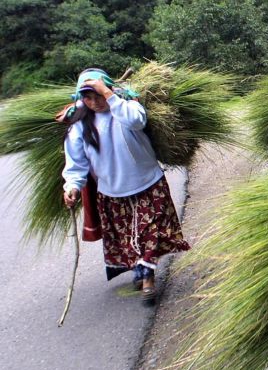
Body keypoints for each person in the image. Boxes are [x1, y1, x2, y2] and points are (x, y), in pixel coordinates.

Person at [62, 68, 190, 305]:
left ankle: (148, 278)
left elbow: (136, 121)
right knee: (129, 239)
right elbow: (76, 164)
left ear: (109, 90)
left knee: (150, 232)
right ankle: (140, 270)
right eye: (88, 98)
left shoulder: (128, 107)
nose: (94, 102)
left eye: (98, 95)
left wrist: (110, 96)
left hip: (148, 183)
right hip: (112, 193)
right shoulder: (79, 126)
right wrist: (71, 187)